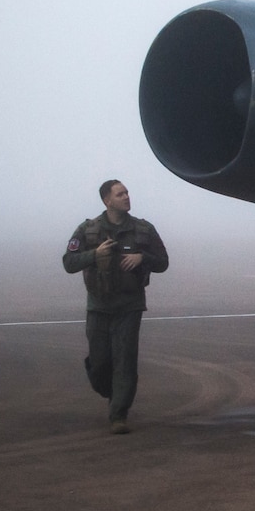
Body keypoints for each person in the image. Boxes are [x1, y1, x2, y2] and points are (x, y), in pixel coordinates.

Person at [62, 180, 169, 434]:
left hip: (129, 306)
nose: (126, 197)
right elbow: (69, 262)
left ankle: (119, 414)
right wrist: (94, 255)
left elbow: (163, 262)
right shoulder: (88, 230)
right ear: (106, 201)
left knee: (125, 361)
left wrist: (143, 257)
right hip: (99, 306)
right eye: (120, 194)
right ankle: (111, 390)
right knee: (100, 365)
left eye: (127, 192)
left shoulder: (143, 229)